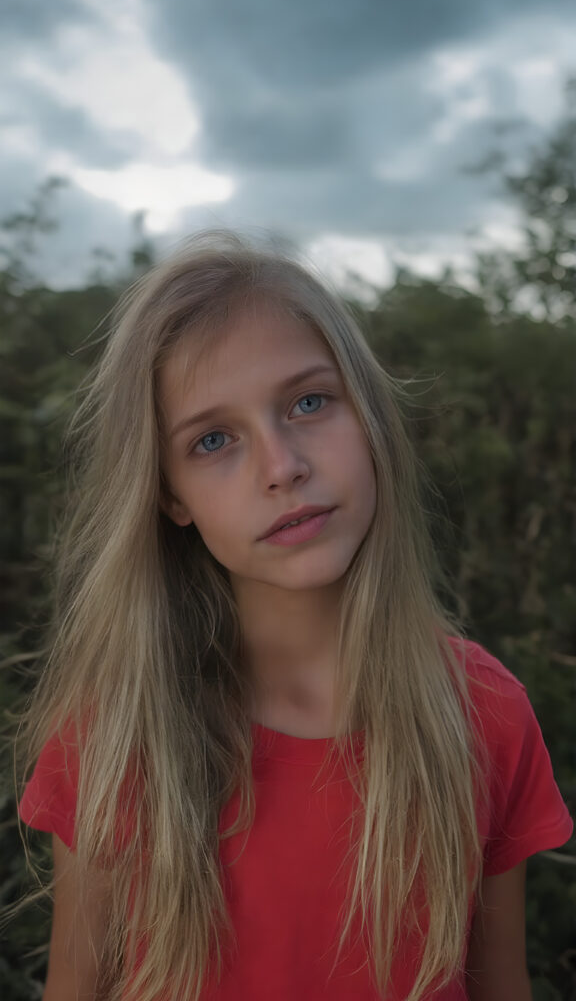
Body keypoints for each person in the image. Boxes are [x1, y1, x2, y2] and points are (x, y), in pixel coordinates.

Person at [18, 232, 572, 1001]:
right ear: (170, 496)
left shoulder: (484, 714)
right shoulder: (114, 736)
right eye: (214, 440)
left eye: (309, 402)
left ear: (371, 417)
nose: (282, 467)